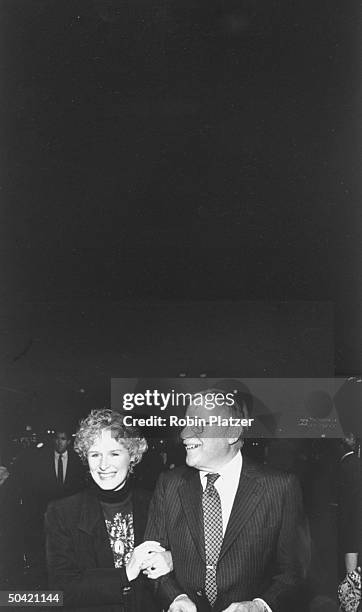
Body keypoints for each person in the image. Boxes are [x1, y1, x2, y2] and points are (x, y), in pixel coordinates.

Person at [145, 389, 308, 612]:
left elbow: (293, 572)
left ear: (232, 432)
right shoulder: (169, 484)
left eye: (198, 425)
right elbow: (152, 559)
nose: (184, 434)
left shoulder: (280, 488)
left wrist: (260, 606)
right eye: (184, 424)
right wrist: (175, 597)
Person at [45, 409, 172, 611]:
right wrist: (125, 574)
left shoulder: (155, 503)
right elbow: (61, 591)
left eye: (114, 453)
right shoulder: (62, 512)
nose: (104, 465)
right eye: (95, 454)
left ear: (132, 456)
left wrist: (172, 560)